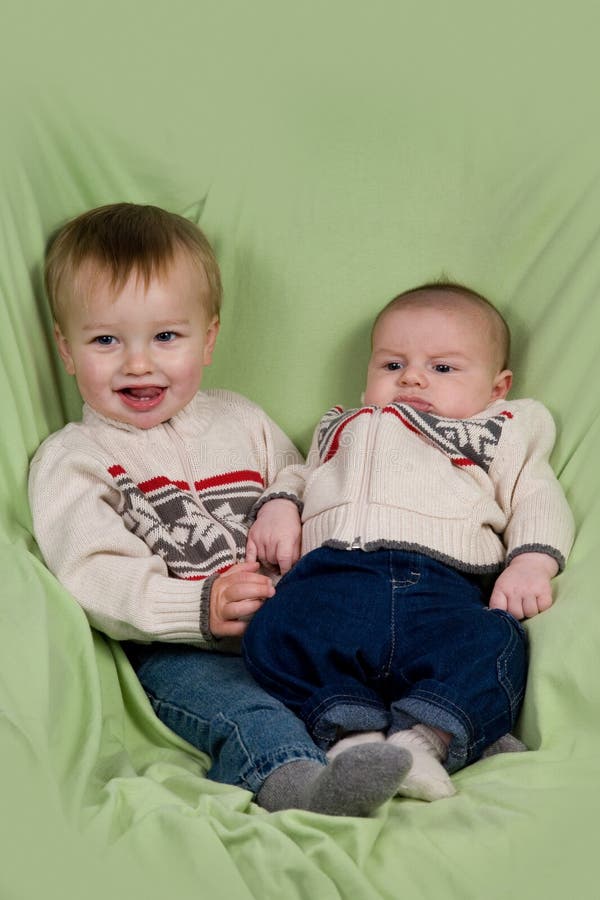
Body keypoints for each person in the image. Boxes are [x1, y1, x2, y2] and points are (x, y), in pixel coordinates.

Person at [28, 203, 412, 817]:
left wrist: (284, 502)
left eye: (166, 336)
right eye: (105, 340)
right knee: (243, 710)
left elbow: (304, 475)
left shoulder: (240, 418)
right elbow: (90, 569)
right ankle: (299, 786)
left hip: (293, 622)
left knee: (383, 645)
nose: (138, 362)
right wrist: (196, 607)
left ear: (207, 338)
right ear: (66, 350)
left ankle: (444, 729)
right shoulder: (75, 458)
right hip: (183, 649)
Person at [242, 282, 575, 802]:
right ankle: (354, 738)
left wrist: (532, 561)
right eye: (392, 365)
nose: (412, 377)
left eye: (443, 368)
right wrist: (281, 506)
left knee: (497, 642)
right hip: (333, 578)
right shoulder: (341, 426)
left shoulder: (502, 428)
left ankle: (423, 740)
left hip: (441, 587)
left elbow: (535, 494)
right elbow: (301, 475)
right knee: (272, 630)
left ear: (496, 386)